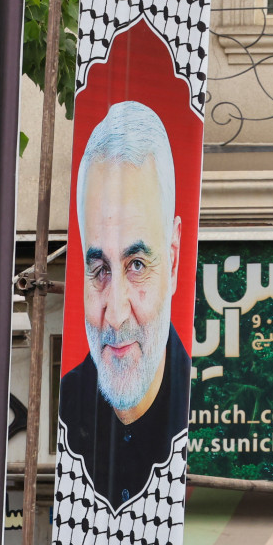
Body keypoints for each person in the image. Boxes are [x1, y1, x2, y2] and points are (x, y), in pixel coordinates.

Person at [59, 99, 190, 509]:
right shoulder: (63, 414)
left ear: (172, 261)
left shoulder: (204, 411)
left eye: (136, 265)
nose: (115, 315)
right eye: (99, 269)